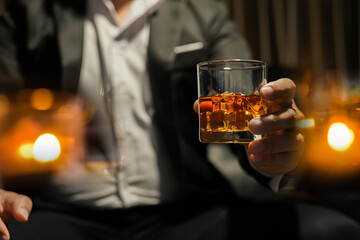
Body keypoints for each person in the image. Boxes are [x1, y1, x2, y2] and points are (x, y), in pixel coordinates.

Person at [0, 0, 359, 239]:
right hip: (62, 210)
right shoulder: (29, 11)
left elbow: (249, 106)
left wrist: (272, 150)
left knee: (334, 230)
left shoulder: (202, 12)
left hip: (186, 212)